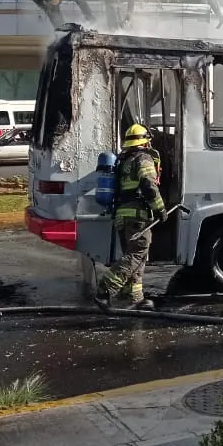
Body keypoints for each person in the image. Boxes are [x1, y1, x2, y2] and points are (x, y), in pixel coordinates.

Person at [98, 124, 165, 310]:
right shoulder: (143, 158)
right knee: (136, 254)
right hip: (138, 217)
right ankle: (105, 290)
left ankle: (135, 298)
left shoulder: (123, 161)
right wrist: (160, 209)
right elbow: (149, 185)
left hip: (121, 216)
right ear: (146, 141)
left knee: (136, 257)